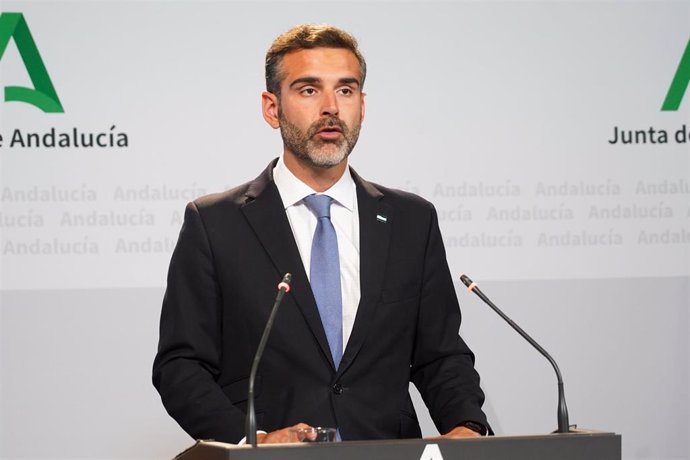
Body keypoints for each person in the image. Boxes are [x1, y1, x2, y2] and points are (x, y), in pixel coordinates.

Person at [153, 23, 490, 444]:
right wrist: (251, 441)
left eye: (345, 91)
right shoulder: (215, 223)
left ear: (362, 106)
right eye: (309, 90)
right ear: (271, 108)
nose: (331, 107)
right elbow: (181, 365)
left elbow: (440, 355)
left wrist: (466, 425)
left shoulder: (411, 220)